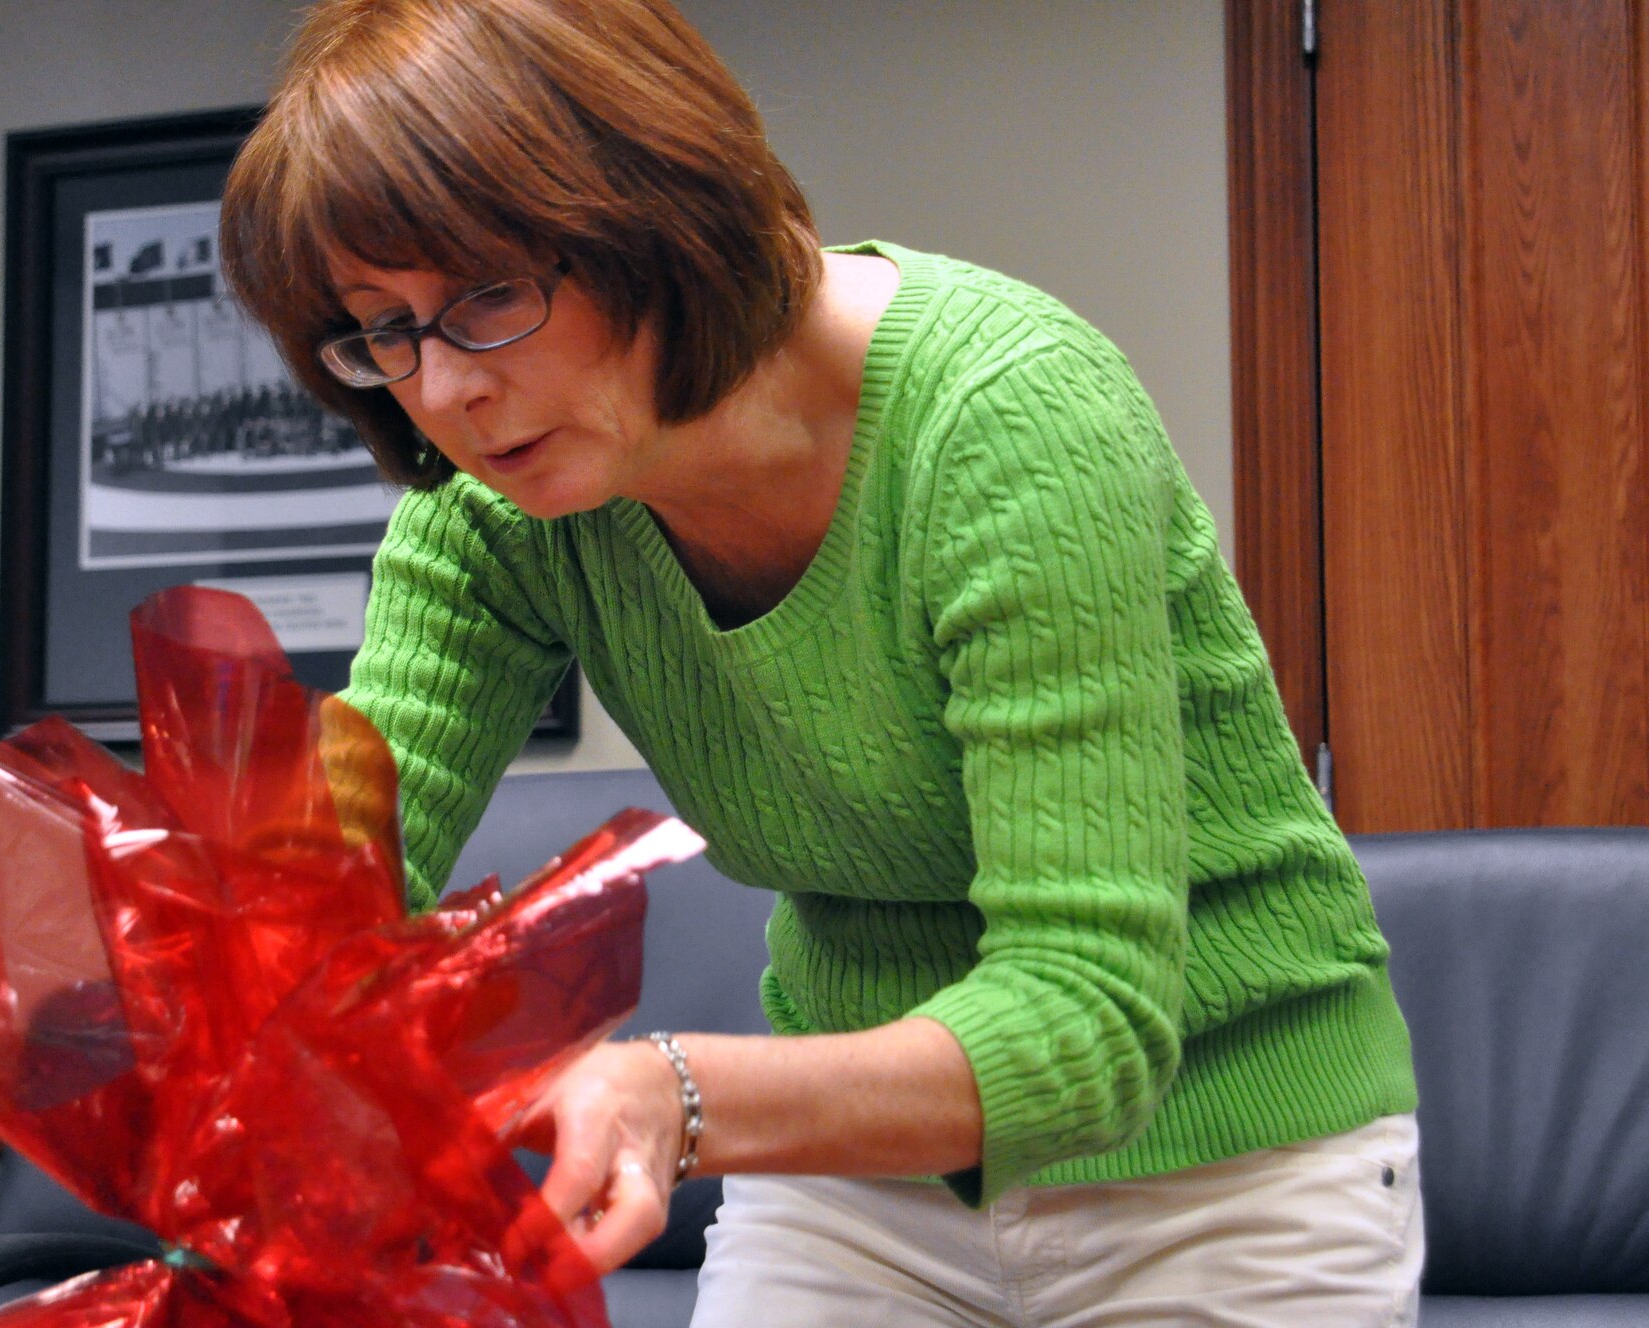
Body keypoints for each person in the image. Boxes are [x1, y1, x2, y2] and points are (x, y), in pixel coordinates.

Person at [219, 1, 1423, 1322]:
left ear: (651, 220)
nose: (443, 392)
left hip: (1224, 1171)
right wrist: (237, 995)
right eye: (382, 328)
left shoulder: (1007, 422)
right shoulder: (491, 509)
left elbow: (1090, 1026)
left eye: (487, 298)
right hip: (859, 1179)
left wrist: (674, 1094)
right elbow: (339, 886)